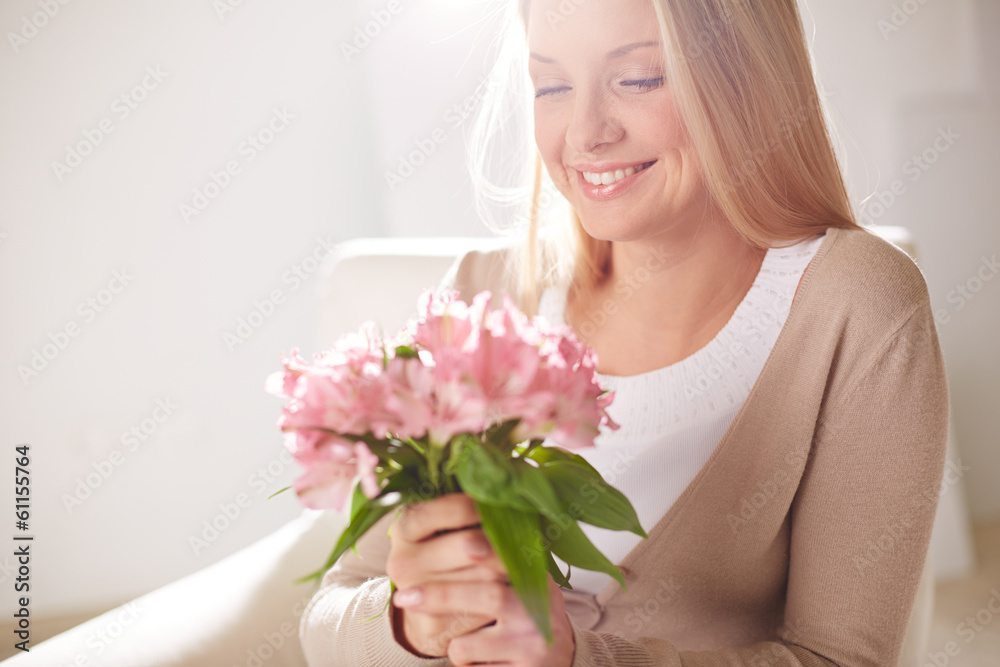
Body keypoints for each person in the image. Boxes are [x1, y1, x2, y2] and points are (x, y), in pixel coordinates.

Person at [299, 0, 949, 665]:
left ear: (748, 75)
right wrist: (413, 624)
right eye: (552, 85)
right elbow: (329, 614)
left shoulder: (857, 305)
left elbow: (840, 658)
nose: (585, 134)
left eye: (638, 79)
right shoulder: (482, 295)